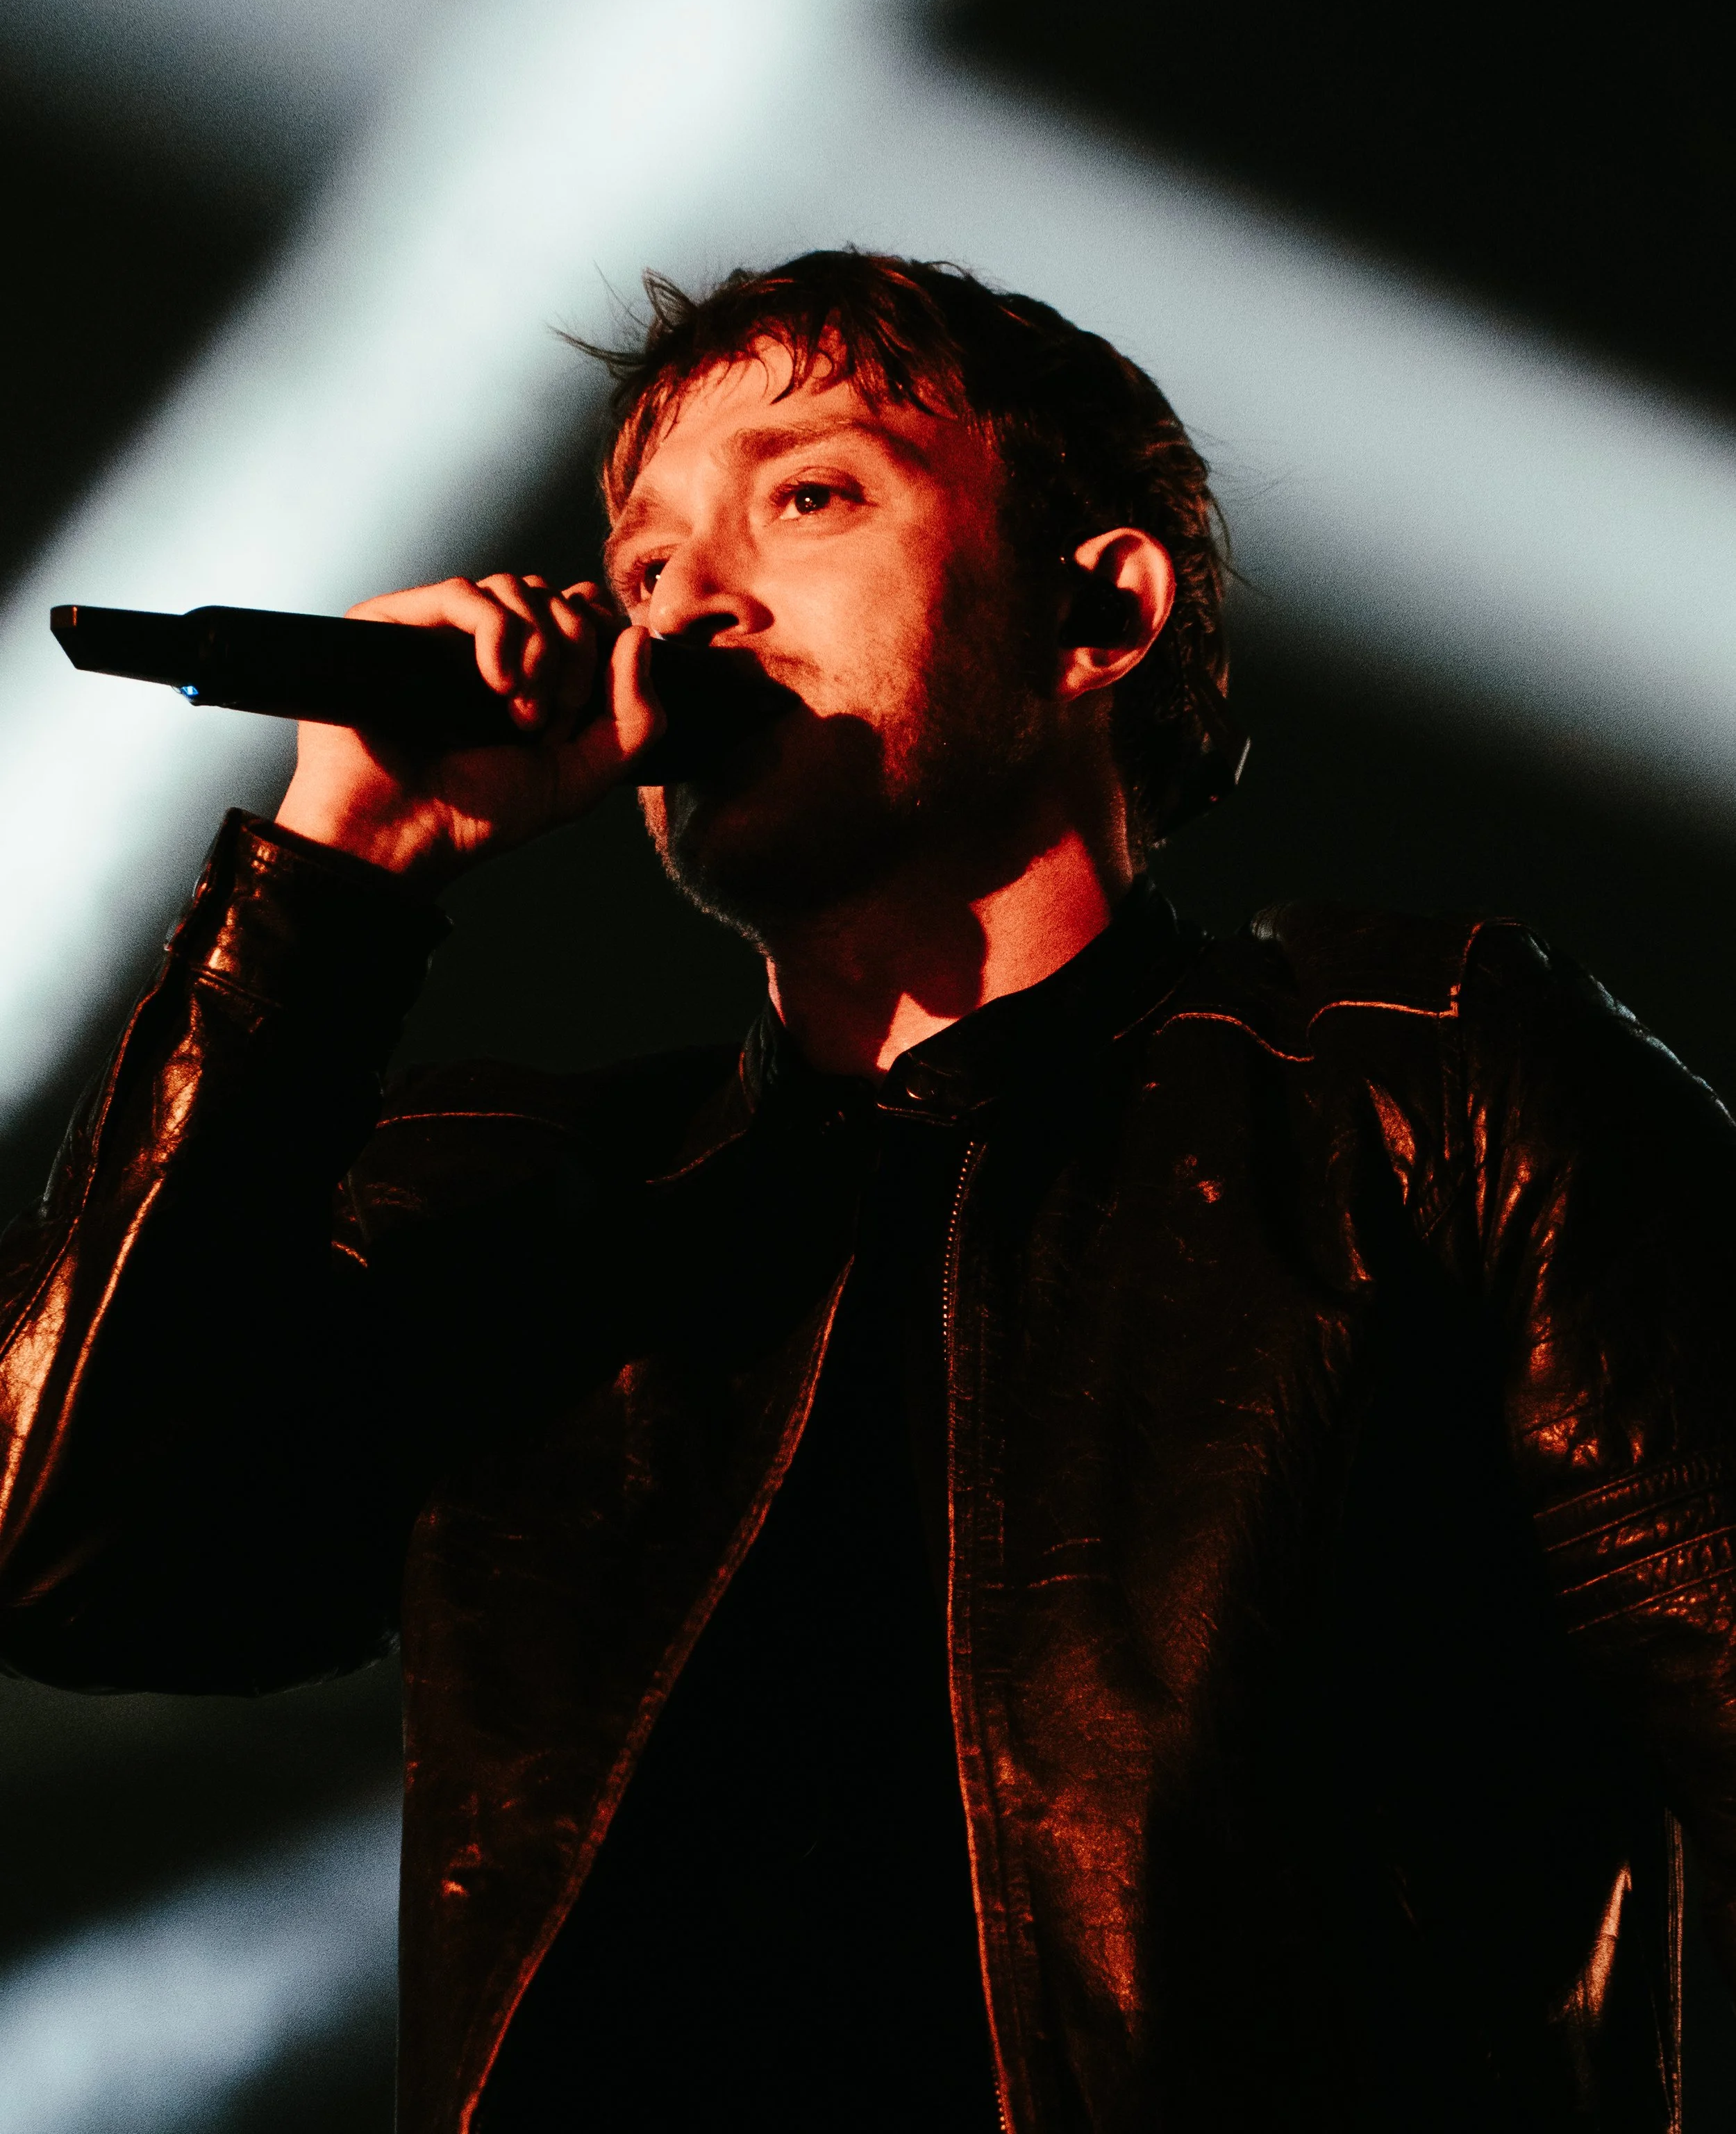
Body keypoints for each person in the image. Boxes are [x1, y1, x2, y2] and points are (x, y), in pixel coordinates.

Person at [2, 250, 1734, 2134]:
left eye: (809, 494)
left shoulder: (1408, 1083)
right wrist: (344, 863)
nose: (687, 604)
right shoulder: (547, 1205)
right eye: (644, 560)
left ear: (1100, 605)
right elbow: (78, 1562)